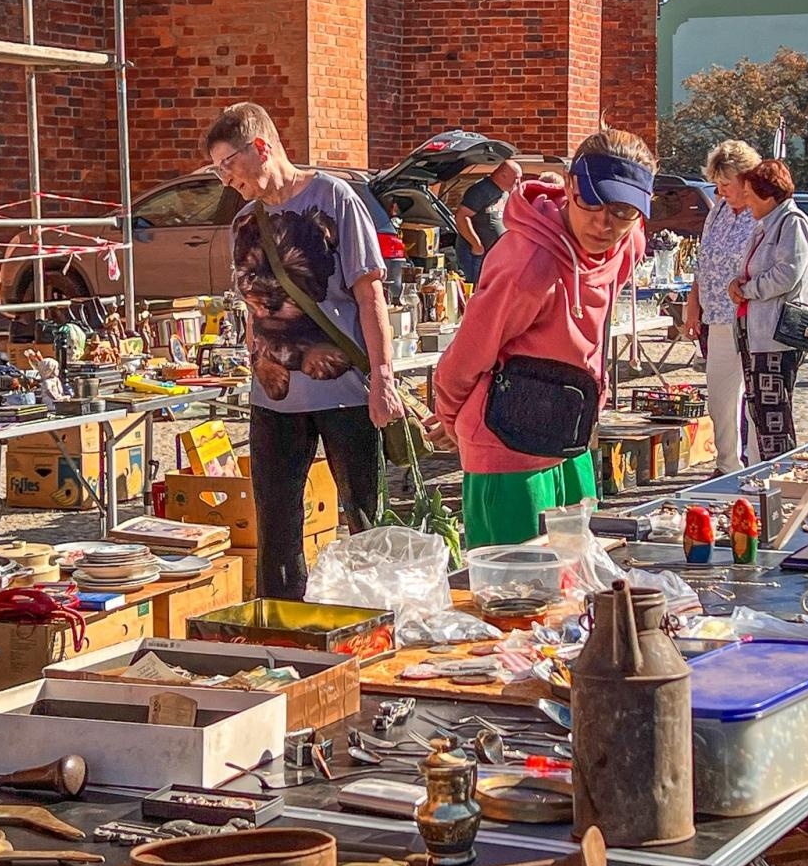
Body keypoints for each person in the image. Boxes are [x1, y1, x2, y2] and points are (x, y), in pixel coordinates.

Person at [206, 102, 399, 600]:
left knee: (364, 518)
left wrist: (383, 378)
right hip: (273, 397)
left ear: (261, 148)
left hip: (345, 391)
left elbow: (370, 294)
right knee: (276, 525)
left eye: (228, 164)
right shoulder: (244, 222)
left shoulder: (334, 197)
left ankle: (373, 617)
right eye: (217, 170)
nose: (226, 179)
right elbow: (253, 308)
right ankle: (282, 622)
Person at [432, 129, 653, 547]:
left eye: (622, 210)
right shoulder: (527, 266)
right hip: (506, 448)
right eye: (591, 202)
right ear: (570, 187)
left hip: (571, 436)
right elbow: (468, 355)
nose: (604, 223)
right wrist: (450, 417)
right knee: (517, 578)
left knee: (579, 570)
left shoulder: (628, 243)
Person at [727, 159, 808, 458]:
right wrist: (737, 282)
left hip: (777, 335)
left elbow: (787, 274)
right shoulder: (764, 226)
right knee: (759, 410)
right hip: (754, 330)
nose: (746, 202)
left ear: (767, 195)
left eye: (750, 195)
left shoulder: (792, 223)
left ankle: (780, 470)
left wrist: (748, 289)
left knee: (774, 412)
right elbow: (751, 268)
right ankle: (765, 467)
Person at [682, 140, 762, 474]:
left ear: (746, 179)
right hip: (717, 316)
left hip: (754, 318)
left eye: (726, 183)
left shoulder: (763, 213)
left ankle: (758, 464)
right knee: (719, 396)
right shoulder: (718, 211)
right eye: (717, 183)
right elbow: (703, 262)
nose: (720, 190)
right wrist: (693, 304)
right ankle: (727, 463)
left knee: (757, 398)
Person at [455, 160, 522, 283]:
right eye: (516, 178)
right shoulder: (481, 190)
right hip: (476, 256)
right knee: (475, 288)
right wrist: (476, 245)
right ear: (503, 175)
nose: (519, 182)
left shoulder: (504, 192)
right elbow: (461, 217)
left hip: (494, 256)